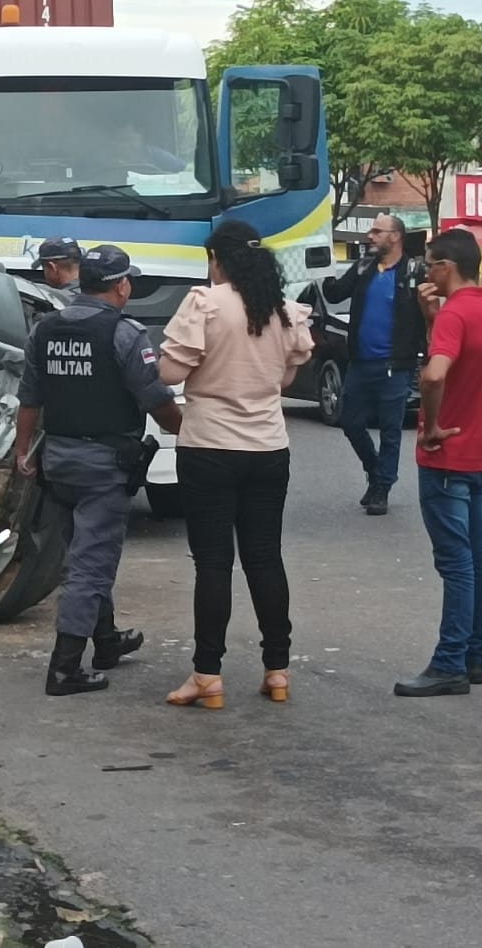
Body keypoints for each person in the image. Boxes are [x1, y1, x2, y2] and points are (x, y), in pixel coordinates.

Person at [13, 245, 184, 696]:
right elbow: (157, 401)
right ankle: (65, 667)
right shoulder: (125, 334)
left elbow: (30, 396)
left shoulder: (45, 329)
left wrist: (22, 451)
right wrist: (192, 433)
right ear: (122, 285)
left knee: (86, 554)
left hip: (58, 462)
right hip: (104, 467)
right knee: (91, 565)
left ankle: (106, 641)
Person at [156, 221, 314, 710]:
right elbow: (286, 379)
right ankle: (278, 669)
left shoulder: (205, 304)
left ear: (217, 260)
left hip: (208, 448)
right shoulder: (285, 312)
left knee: (214, 563)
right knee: (265, 558)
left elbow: (168, 373)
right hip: (268, 449)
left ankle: (208, 675)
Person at [394, 229, 482, 698]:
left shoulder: (456, 315)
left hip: (448, 457)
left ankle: (449, 663)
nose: (426, 273)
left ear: (447, 266)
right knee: (478, 557)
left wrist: (434, 424)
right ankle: (472, 654)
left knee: (457, 563)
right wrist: (430, 320)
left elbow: (436, 372)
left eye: (429, 265)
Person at [321, 213, 427, 515]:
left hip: (396, 364)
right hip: (360, 362)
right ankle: (375, 467)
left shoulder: (414, 271)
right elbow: (336, 292)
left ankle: (382, 487)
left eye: (377, 231)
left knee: (391, 429)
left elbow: (427, 317)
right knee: (351, 422)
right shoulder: (364, 266)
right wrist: (322, 269)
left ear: (395, 236)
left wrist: (428, 355)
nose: (371, 236)